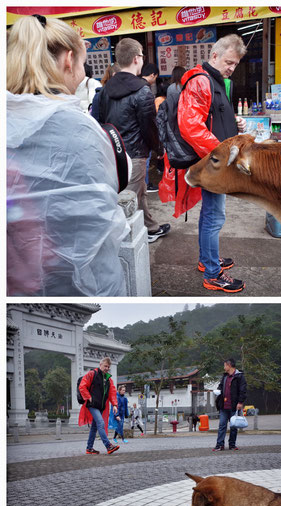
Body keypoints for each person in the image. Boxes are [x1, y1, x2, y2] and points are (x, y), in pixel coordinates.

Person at [7, 14, 128, 296]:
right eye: (84, 64)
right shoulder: (80, 128)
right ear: (68, 60)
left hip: (15, 283)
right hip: (83, 283)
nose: (83, 74)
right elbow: (100, 211)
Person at [160, 35, 248, 293]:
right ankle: (212, 273)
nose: (231, 68)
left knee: (211, 215)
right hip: (211, 162)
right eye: (228, 62)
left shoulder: (216, 81)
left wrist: (235, 125)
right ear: (214, 56)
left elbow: (212, 118)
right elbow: (191, 127)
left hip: (213, 160)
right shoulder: (202, 81)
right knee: (214, 217)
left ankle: (207, 260)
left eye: (235, 64)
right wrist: (223, 152)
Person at [99, 38, 171, 243]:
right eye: (142, 56)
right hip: (136, 152)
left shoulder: (105, 89)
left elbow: (102, 122)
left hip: (113, 152)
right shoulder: (142, 90)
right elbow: (149, 126)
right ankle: (129, 240)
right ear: (136, 58)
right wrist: (158, 149)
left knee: (137, 192)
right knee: (130, 197)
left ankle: (150, 226)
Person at [78, 357, 120, 455]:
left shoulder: (108, 379)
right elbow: (82, 386)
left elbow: (112, 392)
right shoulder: (92, 374)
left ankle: (89, 448)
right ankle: (108, 445)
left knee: (94, 427)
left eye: (108, 367)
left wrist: (114, 404)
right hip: (92, 404)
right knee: (100, 423)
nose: (107, 368)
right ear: (100, 364)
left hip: (101, 406)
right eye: (105, 366)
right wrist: (88, 397)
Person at [213, 359, 247, 451]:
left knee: (233, 426)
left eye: (225, 365)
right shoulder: (224, 377)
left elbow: (243, 391)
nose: (224, 368)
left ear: (229, 365)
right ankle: (220, 445)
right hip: (224, 406)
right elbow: (220, 386)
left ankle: (232, 445)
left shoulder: (239, 376)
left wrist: (240, 402)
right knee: (222, 426)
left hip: (234, 406)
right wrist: (218, 391)